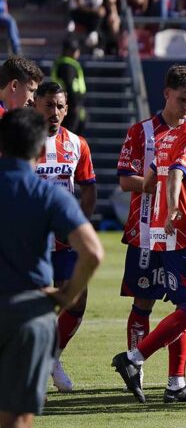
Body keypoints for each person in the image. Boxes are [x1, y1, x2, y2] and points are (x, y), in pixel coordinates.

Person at [112, 73, 186, 405]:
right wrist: (165, 189)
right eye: (181, 99)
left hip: (176, 227)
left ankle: (175, 380)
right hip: (146, 231)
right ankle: (137, 363)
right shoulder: (143, 131)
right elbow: (125, 180)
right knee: (149, 302)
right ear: (166, 94)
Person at [0, 107, 102, 428]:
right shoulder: (47, 195)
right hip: (29, 313)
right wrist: (66, 294)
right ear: (42, 149)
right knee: (18, 416)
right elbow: (92, 253)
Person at [32, 81, 97, 392]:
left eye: (59, 106)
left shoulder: (77, 144)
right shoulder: (19, 143)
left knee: (76, 301)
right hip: (30, 238)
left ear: (67, 109)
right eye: (48, 105)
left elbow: (88, 188)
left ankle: (52, 357)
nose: (54, 112)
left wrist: (79, 224)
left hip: (64, 239)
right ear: (34, 106)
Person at [51, 39, 87, 135]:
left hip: (70, 103)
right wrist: (74, 103)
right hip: (70, 104)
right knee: (70, 133)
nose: (78, 52)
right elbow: (69, 85)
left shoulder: (64, 63)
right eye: (75, 50)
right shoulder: (67, 65)